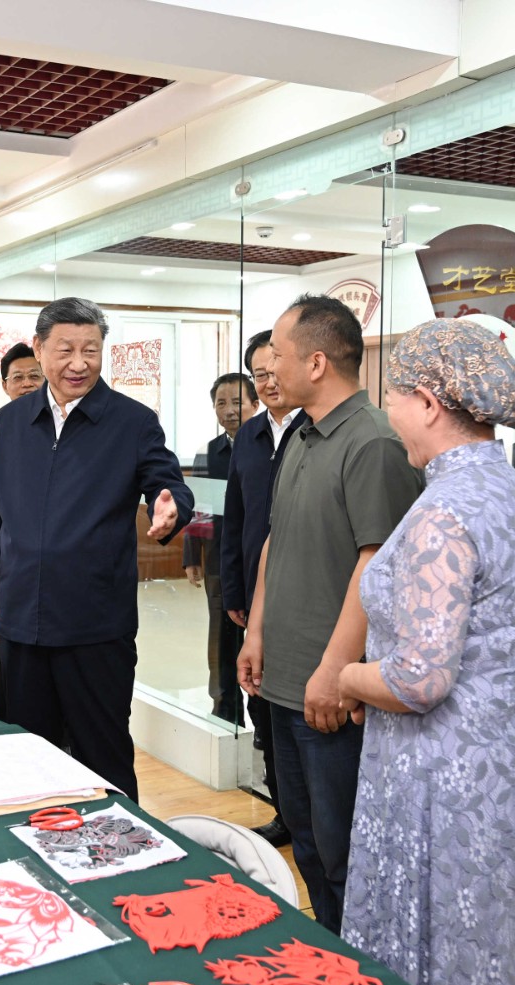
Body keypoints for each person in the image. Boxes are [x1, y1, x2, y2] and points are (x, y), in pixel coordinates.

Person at [336, 319, 515, 985]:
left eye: (393, 394)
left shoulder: (445, 512)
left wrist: (348, 676)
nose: (388, 412)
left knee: (435, 977)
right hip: (503, 764)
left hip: (442, 784)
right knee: (484, 968)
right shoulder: (511, 493)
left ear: (426, 402)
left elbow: (419, 678)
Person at [238, 294, 421, 933]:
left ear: (316, 363)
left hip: (330, 688)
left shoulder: (373, 442)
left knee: (346, 852)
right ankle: (329, 959)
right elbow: (274, 540)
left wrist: (335, 667)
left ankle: (365, 982)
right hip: (283, 678)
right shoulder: (299, 435)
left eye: (279, 357)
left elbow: (380, 565)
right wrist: (256, 631)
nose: (269, 370)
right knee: (309, 841)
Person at [0, 297, 191, 801]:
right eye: (65, 350)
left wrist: (170, 507)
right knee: (26, 751)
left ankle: (121, 857)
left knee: (103, 753)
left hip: (96, 622)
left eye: (91, 350)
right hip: (20, 618)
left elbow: (167, 482)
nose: (79, 363)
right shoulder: (8, 425)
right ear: (39, 348)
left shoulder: (132, 421)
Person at [223, 330, 309, 847]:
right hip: (253, 600)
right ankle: (284, 809)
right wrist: (234, 589)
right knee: (261, 704)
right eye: (260, 375)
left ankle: (311, 819)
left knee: (298, 706)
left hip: (303, 595)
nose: (270, 381)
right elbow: (236, 518)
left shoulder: (314, 428)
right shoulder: (249, 437)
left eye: (275, 370)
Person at [183, 372, 259, 724]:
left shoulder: (267, 445)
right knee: (221, 637)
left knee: (259, 635)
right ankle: (224, 708)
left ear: (254, 404)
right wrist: (191, 557)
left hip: (257, 558)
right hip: (217, 558)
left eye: (237, 402)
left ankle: (261, 711)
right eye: (221, 403)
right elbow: (197, 508)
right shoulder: (209, 452)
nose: (229, 410)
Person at [0, 342, 42, 715]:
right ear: (5, 386)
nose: (27, 383)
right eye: (18, 377)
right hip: (11, 582)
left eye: (35, 375)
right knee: (15, 692)